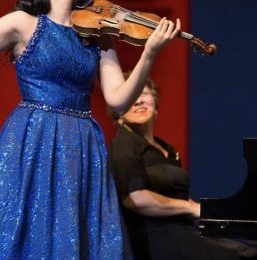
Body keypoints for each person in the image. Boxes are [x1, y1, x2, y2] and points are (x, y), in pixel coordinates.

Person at [0, 0, 181, 258]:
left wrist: (149, 53)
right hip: (34, 136)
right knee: (23, 227)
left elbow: (117, 99)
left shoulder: (99, 34)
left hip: (80, 143)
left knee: (73, 231)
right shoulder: (23, 24)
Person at [108, 79, 257, 260]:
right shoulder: (124, 143)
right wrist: (191, 207)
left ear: (156, 107)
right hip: (153, 235)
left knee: (249, 251)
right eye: (131, 97)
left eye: (144, 94)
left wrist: (207, 213)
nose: (138, 101)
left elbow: (176, 197)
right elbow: (136, 199)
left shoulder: (168, 149)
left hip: (183, 228)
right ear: (119, 113)